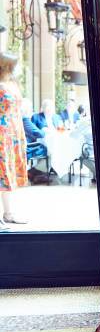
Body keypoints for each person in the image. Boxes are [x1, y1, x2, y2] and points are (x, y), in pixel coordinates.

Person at [0, 52, 28, 226]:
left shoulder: (12, 84)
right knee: (2, 172)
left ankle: (9, 213)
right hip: (2, 133)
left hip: (14, 133)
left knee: (8, 173)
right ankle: (8, 213)